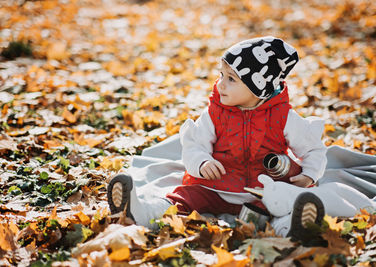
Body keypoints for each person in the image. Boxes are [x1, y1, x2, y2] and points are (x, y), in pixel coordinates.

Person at [107, 36, 328, 238]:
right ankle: (143, 212)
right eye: (221, 75)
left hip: (264, 193)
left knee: (282, 205)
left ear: (258, 89)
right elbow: (194, 144)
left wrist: (309, 174)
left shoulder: (283, 117)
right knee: (185, 197)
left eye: (231, 79)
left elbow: (312, 149)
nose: (220, 84)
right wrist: (202, 163)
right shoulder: (215, 113)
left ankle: (293, 228)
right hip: (215, 188)